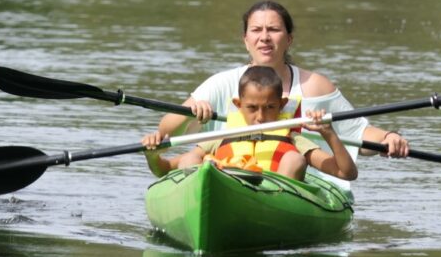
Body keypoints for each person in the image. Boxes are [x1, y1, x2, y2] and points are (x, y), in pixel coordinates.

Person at [151, 0, 410, 177]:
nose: (264, 37)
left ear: (288, 39)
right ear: (246, 40)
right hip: (228, 173)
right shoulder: (222, 83)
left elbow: (359, 134)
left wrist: (388, 138)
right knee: (191, 161)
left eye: (273, 29)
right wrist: (190, 111)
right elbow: (166, 131)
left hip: (302, 181)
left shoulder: (315, 86)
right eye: (256, 30)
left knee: (294, 160)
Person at [142, 66, 357, 182]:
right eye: (252, 108)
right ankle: (193, 202)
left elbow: (346, 173)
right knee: (190, 157)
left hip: (274, 204)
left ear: (282, 105)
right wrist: (152, 155)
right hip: (228, 194)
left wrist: (329, 134)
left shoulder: (293, 139)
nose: (261, 117)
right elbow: (165, 169)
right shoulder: (221, 137)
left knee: (294, 159)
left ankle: (274, 209)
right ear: (238, 104)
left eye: (270, 108)